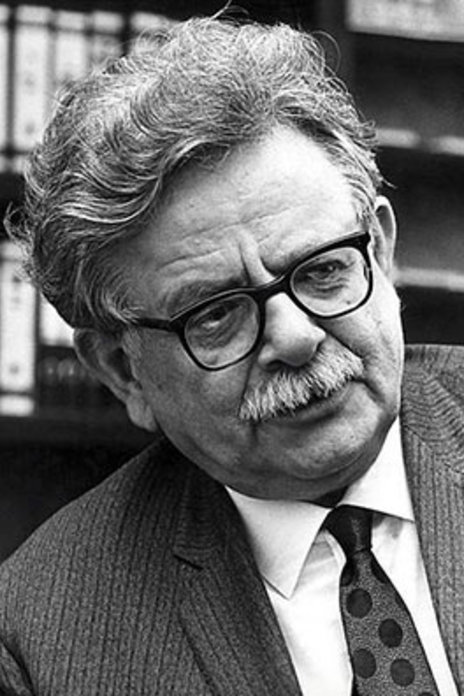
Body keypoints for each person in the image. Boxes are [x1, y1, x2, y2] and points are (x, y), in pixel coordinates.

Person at [0, 16, 462, 696]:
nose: (297, 338)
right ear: (123, 372)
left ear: (382, 254)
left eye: (323, 272)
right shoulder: (41, 641)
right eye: (217, 314)